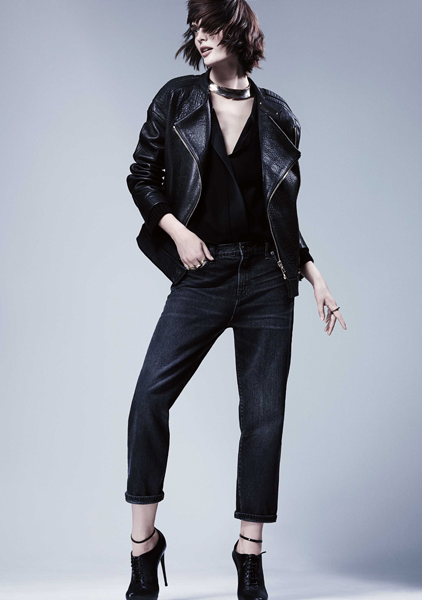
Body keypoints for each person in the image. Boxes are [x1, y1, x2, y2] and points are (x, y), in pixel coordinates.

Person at [123, 1, 347, 598]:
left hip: (269, 281)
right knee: (149, 400)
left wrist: (315, 276)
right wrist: (177, 231)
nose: (201, 37)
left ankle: (250, 556)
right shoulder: (176, 100)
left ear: (239, 31)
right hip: (203, 273)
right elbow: (141, 175)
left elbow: (282, 215)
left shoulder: (279, 116)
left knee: (263, 418)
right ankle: (144, 548)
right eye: (195, 28)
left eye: (212, 26)